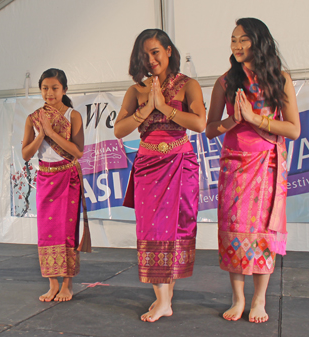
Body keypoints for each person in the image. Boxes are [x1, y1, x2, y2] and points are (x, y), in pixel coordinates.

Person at [206, 18, 300, 323]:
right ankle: (238, 298)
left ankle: (259, 300)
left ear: (259, 41)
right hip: (234, 165)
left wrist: (256, 119)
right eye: (233, 39)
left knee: (261, 233)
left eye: (243, 39)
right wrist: (233, 120)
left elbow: (294, 129)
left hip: (266, 167)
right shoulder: (225, 81)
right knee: (233, 230)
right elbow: (209, 130)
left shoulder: (279, 78)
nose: (236, 45)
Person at [114, 29, 206, 322]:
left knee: (177, 229)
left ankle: (165, 299)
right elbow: (119, 130)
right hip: (148, 167)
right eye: (145, 54)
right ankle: (162, 299)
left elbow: (200, 123)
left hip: (180, 162)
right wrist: (146, 109)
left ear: (168, 50)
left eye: (155, 52)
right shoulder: (136, 91)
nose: (151, 59)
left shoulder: (188, 85)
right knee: (152, 230)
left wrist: (163, 107)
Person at [22, 68, 91, 302]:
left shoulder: (73, 115)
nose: (49, 93)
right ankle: (52, 284)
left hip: (67, 178)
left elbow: (78, 151)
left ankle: (67, 285)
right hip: (45, 178)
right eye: (45, 88)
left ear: (64, 90)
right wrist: (41, 135)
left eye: (54, 88)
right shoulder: (33, 118)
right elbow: (25, 154)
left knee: (67, 232)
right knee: (47, 232)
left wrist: (51, 131)